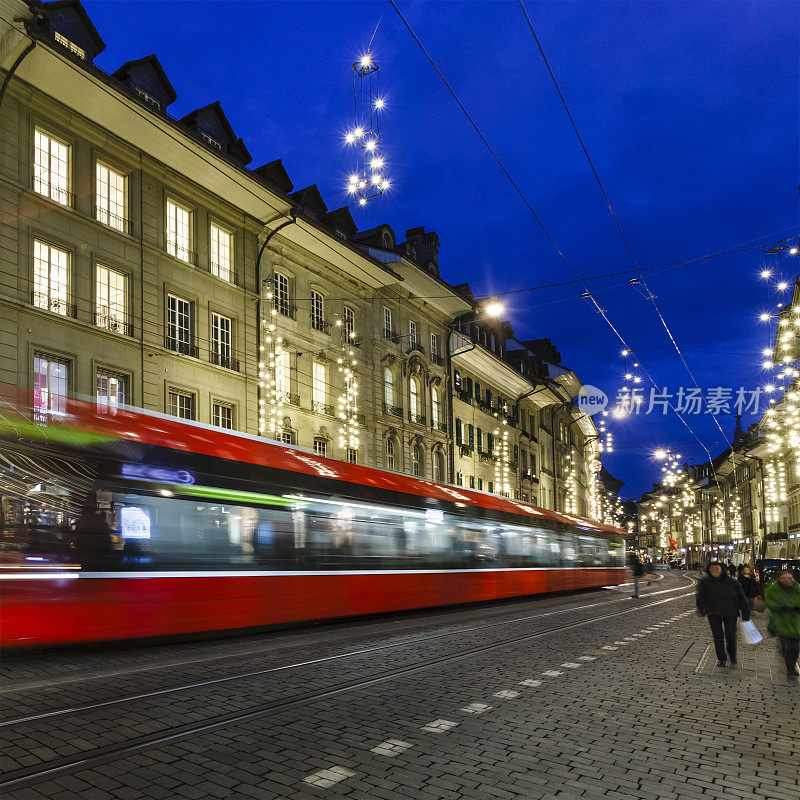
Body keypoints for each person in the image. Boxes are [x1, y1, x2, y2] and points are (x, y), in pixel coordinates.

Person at [696, 562, 750, 667]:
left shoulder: (732, 583)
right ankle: (722, 658)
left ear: (722, 569)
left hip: (730, 612)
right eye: (711, 568)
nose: (714, 570)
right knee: (718, 636)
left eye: (716, 568)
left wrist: (746, 613)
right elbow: (701, 596)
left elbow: (742, 598)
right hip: (713, 612)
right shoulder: (705, 582)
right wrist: (700, 608)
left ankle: (732, 654)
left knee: (730, 635)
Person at [764, 569, 800, 678]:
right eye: (785, 578)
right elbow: (770, 602)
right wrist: (782, 607)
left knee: (796, 648)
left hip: (796, 622)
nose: (788, 580)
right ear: (779, 579)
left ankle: (792, 666)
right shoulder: (773, 590)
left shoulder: (798, 588)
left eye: (790, 578)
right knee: (787, 647)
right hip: (781, 622)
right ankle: (789, 667)